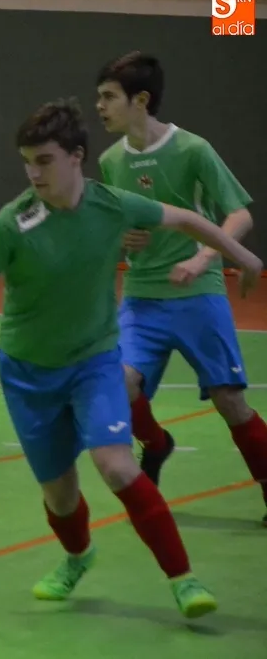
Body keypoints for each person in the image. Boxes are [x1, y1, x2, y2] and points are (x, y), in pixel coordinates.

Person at [0, 98, 262, 618]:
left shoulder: (111, 205)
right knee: (61, 495)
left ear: (76, 157)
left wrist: (243, 256)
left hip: (94, 363)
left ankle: (184, 579)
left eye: (44, 160)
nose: (34, 173)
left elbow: (186, 219)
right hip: (28, 375)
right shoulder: (11, 224)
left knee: (116, 465)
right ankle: (78, 556)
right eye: (27, 162)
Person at [95, 51, 267, 524]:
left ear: (141, 100)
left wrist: (202, 257)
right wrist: (121, 237)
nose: (100, 106)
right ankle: (156, 442)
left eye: (108, 96)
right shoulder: (110, 161)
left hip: (198, 296)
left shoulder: (193, 149)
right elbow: (115, 225)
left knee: (229, 401)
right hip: (142, 297)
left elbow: (239, 215)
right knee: (118, 383)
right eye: (99, 97)